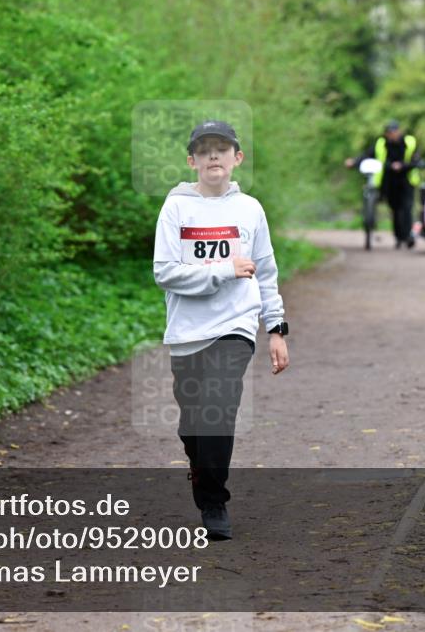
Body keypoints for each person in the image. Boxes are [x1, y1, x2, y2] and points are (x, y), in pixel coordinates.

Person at [153, 120, 289, 540]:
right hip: (188, 331)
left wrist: (276, 328)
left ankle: (214, 504)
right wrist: (222, 270)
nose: (214, 156)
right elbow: (165, 272)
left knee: (219, 409)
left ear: (237, 158)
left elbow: (265, 272)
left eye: (222, 148)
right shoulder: (176, 208)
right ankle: (200, 466)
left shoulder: (250, 209)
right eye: (205, 149)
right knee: (194, 424)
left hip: (236, 326)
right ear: (192, 160)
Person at [345, 121, 422, 249]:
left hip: (407, 180)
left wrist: (402, 165)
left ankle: (407, 236)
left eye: (394, 131)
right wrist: (354, 161)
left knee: (407, 208)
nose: (392, 135)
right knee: (395, 210)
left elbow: (416, 159)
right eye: (389, 132)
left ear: (399, 131)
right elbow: (367, 155)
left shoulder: (410, 142)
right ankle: (399, 237)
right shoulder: (381, 143)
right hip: (389, 181)